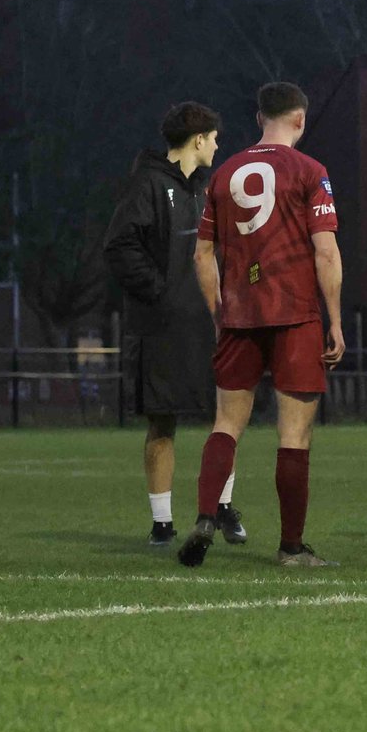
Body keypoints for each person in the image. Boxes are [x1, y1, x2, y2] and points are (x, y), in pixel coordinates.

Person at [176, 82, 345, 569]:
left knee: (226, 424)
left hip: (240, 316)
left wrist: (219, 313)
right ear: (300, 120)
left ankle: (207, 515)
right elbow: (326, 251)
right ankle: (291, 547)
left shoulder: (224, 173)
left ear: (258, 120)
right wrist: (335, 321)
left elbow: (202, 254)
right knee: (293, 435)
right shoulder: (310, 171)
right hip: (294, 315)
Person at [104, 101, 238, 549]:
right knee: (163, 424)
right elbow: (120, 246)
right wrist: (161, 291)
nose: (218, 145)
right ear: (198, 139)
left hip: (209, 325)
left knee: (224, 419)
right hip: (160, 327)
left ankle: (222, 508)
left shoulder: (207, 189)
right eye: (214, 137)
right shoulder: (146, 185)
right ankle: (162, 524)